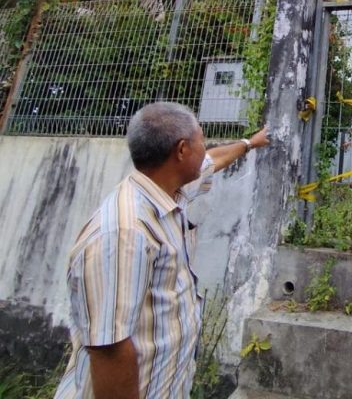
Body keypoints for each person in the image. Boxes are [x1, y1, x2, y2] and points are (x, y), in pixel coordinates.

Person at [54, 102, 269, 399]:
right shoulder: (125, 232)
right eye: (201, 140)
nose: (205, 149)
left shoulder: (168, 190)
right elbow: (109, 348)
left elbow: (212, 161)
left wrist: (249, 143)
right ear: (182, 151)